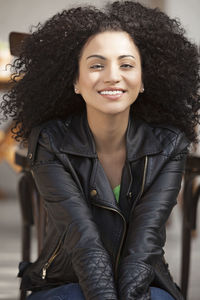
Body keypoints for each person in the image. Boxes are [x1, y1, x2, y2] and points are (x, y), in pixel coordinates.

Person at [1, 1, 200, 300]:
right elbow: (84, 242)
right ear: (75, 82)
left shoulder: (169, 145)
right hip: (64, 281)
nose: (112, 76)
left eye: (127, 64)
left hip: (142, 283)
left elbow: (144, 245)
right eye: (96, 65)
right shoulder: (50, 141)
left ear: (144, 80)